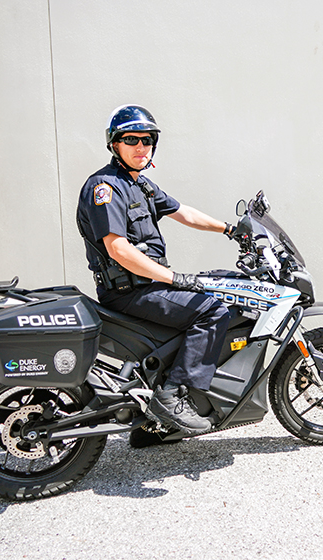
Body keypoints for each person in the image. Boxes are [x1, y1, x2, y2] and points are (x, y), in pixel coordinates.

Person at [76, 105, 233, 445]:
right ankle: (173, 396)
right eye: (131, 140)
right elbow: (118, 249)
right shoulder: (106, 187)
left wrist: (230, 229)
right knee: (212, 311)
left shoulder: (141, 185)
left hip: (146, 287)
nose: (140, 146)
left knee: (217, 287)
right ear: (115, 144)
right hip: (130, 292)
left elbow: (184, 213)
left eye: (146, 140)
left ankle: (150, 428)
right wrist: (172, 278)